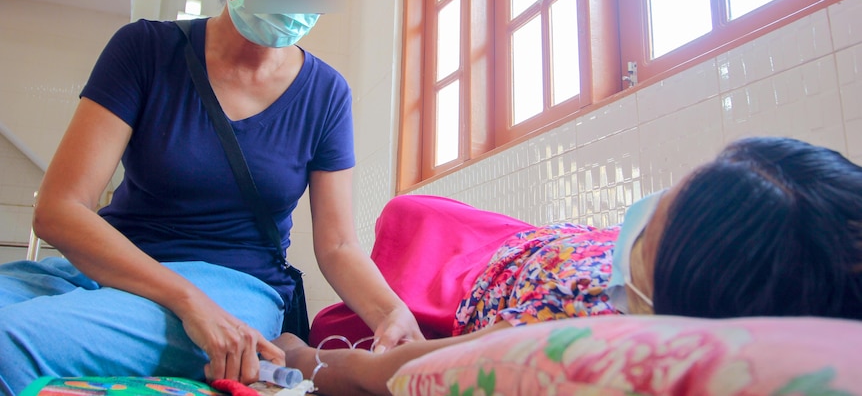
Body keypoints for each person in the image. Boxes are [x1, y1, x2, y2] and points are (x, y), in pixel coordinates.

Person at [0, 0, 422, 395]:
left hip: (234, 288)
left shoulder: (326, 94)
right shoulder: (145, 50)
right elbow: (60, 210)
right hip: (106, 269)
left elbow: (338, 246)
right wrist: (188, 302)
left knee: (9, 342)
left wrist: (392, 313)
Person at [270, 136, 862, 395]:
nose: (647, 211)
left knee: (336, 323)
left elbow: (387, 372)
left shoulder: (577, 333)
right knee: (411, 210)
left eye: (658, 225)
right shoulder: (673, 257)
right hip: (517, 241)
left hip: (464, 285)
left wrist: (306, 361)